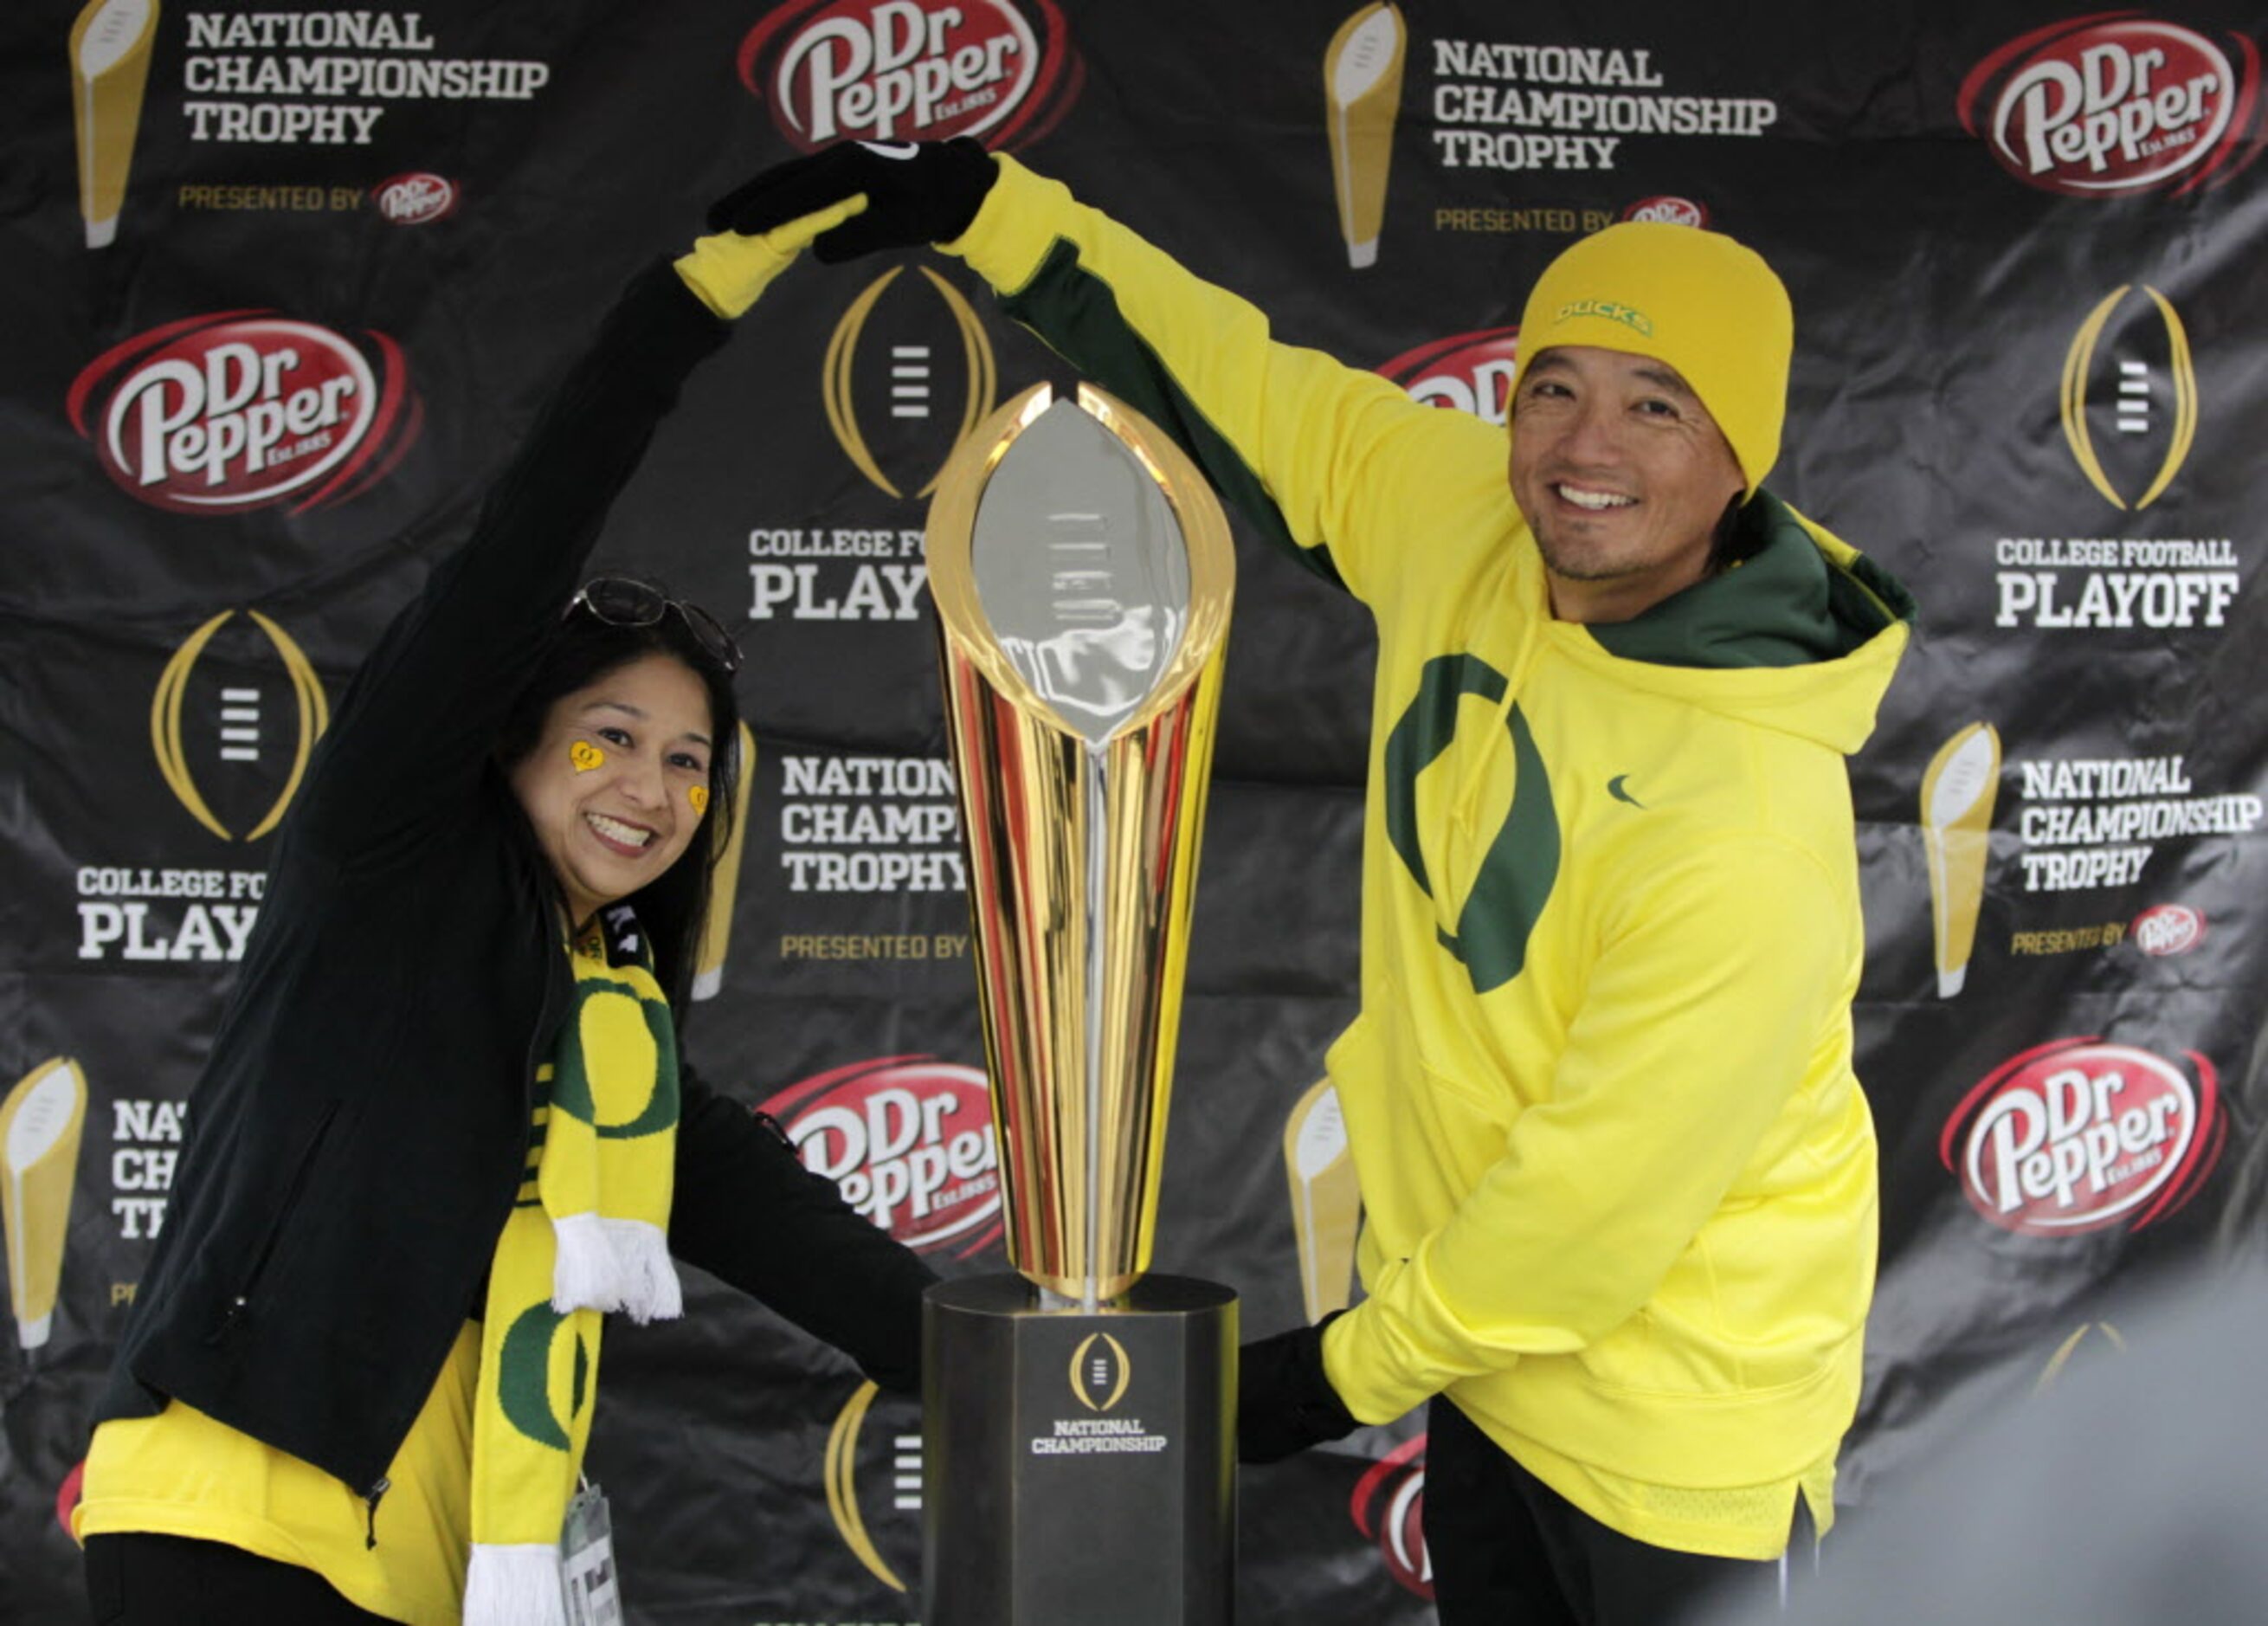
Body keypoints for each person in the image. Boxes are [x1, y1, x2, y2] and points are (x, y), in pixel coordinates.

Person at [711, 141, 1917, 1623]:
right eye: (1554, 387)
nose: (1583, 445)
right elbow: (1249, 387)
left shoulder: (1748, 825)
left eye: (1656, 405)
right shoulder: (1468, 516)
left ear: (1743, 454)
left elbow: (1583, 1217)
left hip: (1682, 1437)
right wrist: (1005, 221)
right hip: (1495, 1376)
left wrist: (1320, 1378)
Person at [74, 197, 937, 1626]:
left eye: (685, 760)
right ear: (510, 740)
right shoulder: (386, 858)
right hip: (229, 1536)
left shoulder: (624, 1056)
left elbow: (869, 1293)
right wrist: (691, 297)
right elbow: (514, 559)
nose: (648, 788)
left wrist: (1186, 1381)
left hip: (422, 1581)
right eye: (606, 736)